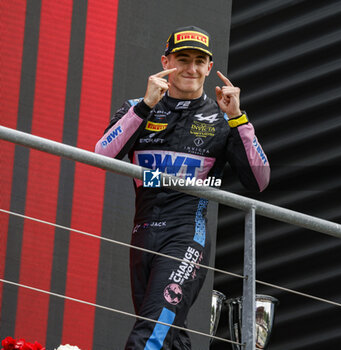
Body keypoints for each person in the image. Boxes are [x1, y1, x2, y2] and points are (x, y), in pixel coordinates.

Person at [95, 25, 270, 350]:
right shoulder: (137, 107)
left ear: (208, 67)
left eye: (199, 61)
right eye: (183, 59)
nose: (191, 69)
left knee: (150, 335)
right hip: (143, 236)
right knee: (171, 337)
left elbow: (259, 180)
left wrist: (239, 120)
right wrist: (144, 107)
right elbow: (101, 156)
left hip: (187, 237)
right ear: (166, 62)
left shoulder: (222, 118)